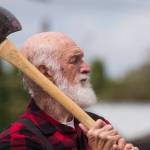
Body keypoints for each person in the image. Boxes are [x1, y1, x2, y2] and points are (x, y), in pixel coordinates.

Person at [0, 32, 139, 150]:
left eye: (82, 59)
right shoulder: (17, 139)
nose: (86, 67)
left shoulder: (97, 124)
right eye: (74, 60)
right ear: (45, 72)